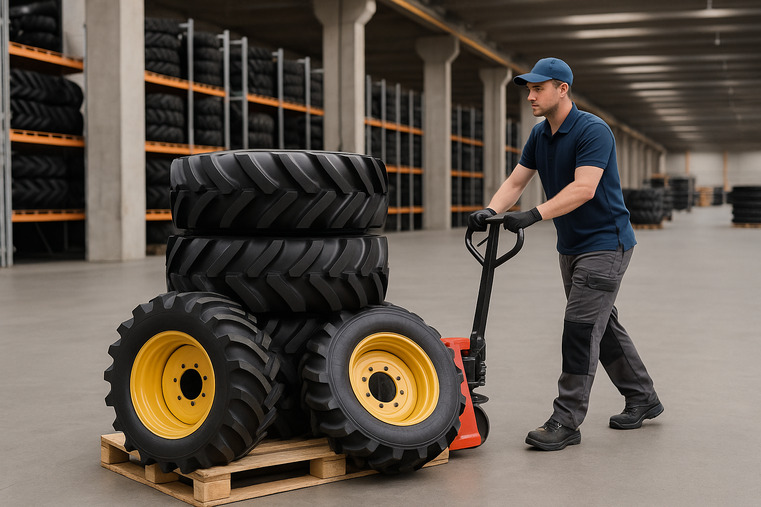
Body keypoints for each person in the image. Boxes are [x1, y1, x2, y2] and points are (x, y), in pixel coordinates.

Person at [469, 57, 662, 451]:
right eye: (528, 89)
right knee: (601, 325)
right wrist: (492, 210)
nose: (531, 96)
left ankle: (566, 419)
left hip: (606, 244)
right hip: (571, 245)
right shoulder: (540, 135)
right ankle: (643, 396)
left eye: (539, 88)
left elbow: (584, 188)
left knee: (578, 328)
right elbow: (516, 180)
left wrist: (533, 215)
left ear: (563, 89)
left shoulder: (593, 130)